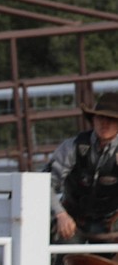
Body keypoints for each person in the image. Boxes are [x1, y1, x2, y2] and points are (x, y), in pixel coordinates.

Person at [48, 91, 118, 243]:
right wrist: (60, 215)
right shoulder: (73, 146)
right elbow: (46, 184)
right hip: (72, 220)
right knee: (65, 257)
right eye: (100, 117)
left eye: (111, 119)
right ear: (93, 119)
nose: (104, 123)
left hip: (110, 222)